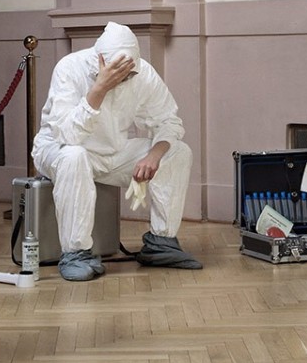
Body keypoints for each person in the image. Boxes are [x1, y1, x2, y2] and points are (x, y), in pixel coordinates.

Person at [32, 22, 200, 281]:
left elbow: (169, 121)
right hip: (59, 150)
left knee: (178, 152)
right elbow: (69, 136)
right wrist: (100, 88)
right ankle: (76, 253)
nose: (124, 78)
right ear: (100, 61)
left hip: (112, 152)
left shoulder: (142, 72)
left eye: (128, 73)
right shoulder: (70, 68)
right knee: (75, 156)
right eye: (117, 73)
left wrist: (154, 155)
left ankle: (161, 243)